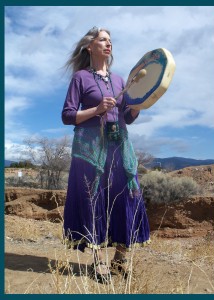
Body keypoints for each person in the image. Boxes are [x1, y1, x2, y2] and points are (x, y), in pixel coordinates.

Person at [62, 26, 150, 282]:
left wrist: (135, 109)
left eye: (110, 40)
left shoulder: (121, 80)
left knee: (126, 198)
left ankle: (120, 259)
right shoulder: (80, 78)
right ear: (90, 46)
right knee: (95, 201)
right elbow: (67, 115)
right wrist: (97, 109)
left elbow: (125, 118)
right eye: (102, 39)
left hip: (119, 147)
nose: (108, 43)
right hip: (90, 151)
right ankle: (99, 261)